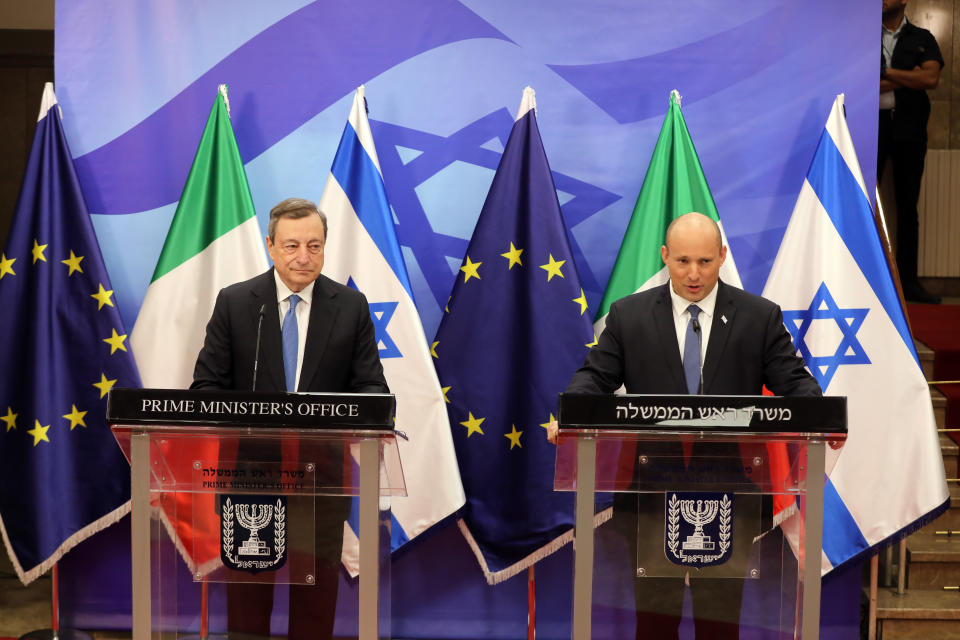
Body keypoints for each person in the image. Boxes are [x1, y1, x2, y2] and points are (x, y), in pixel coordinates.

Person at [549, 212, 821, 639]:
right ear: (664, 257)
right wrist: (569, 414)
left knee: (720, 626)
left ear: (722, 257)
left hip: (730, 493)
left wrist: (823, 419)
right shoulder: (629, 316)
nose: (693, 274)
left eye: (705, 262)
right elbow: (595, 378)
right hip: (651, 494)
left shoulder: (758, 317)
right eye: (682, 262)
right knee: (655, 625)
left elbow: (796, 384)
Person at [192, 197, 388, 640]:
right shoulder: (237, 303)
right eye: (292, 245)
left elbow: (372, 388)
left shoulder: (351, 306)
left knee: (315, 609)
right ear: (271, 246)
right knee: (248, 609)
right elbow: (205, 389)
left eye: (314, 246)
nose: (304, 256)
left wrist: (357, 415)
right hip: (250, 477)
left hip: (320, 479)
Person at [879, 0, 943, 304]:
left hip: (909, 132)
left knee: (908, 208)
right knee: (866, 206)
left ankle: (909, 283)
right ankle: (868, 278)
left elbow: (930, 79)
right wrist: (909, 77)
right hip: (872, 130)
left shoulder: (922, 38)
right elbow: (862, 80)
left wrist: (888, 74)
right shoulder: (863, 35)